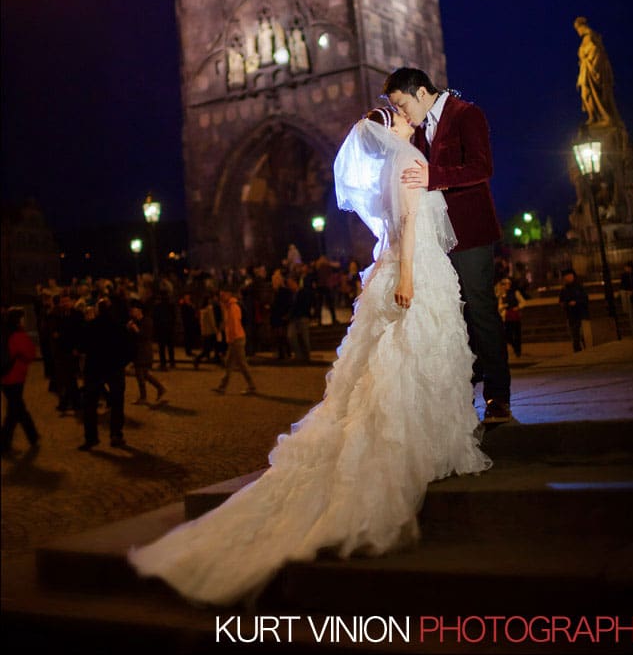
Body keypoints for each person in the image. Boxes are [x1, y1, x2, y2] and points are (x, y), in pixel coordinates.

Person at [129, 107, 490, 605]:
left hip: (401, 267)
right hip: (413, 273)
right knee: (407, 360)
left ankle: (418, 437)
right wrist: (406, 275)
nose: (411, 116)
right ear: (393, 127)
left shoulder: (390, 166)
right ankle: (415, 446)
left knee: (395, 364)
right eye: (403, 112)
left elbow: (391, 226)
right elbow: (407, 223)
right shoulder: (408, 158)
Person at [384, 66, 512, 423]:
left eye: (403, 103)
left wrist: (432, 177)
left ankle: (498, 395)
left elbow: (481, 168)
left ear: (421, 92)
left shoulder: (467, 114)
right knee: (451, 316)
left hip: (470, 233)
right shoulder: (419, 130)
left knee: (481, 309)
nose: (403, 113)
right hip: (437, 239)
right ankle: (460, 392)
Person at [77, 297, 133, 451]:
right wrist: (121, 363)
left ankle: (91, 437)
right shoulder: (119, 326)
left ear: (98, 310)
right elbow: (129, 349)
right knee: (117, 403)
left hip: (94, 368)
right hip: (114, 368)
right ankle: (116, 434)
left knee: (90, 404)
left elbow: (81, 347)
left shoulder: (91, 326)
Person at [1, 308, 39, 454]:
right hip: (15, 377)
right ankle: (4, 443)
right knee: (14, 411)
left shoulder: (5, 333)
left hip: (6, 377)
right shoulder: (17, 335)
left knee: (17, 408)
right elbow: (29, 353)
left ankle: (32, 435)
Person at [573, 17, 621, 126]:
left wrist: (587, 59)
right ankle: (593, 117)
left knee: (593, 94)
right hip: (586, 70)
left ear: (582, 27)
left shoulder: (591, 36)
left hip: (592, 70)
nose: (578, 32)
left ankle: (601, 117)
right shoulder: (586, 38)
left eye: (578, 29)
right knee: (585, 95)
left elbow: (595, 52)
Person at [215, 289, 257, 395]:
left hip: (236, 339)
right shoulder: (228, 307)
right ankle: (222, 387)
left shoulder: (233, 307)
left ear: (229, 294)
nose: (221, 297)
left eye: (223, 295)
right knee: (230, 364)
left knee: (241, 364)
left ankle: (251, 386)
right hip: (235, 339)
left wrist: (232, 339)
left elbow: (234, 324)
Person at [128, 300, 168, 403]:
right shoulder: (134, 322)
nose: (132, 313)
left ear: (139, 311)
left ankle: (144, 397)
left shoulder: (147, 321)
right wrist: (128, 328)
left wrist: (135, 328)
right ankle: (160, 388)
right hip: (137, 352)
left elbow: (145, 336)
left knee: (140, 375)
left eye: (134, 311)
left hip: (144, 352)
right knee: (144, 374)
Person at [558, 271, 588, 353]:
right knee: (575, 336)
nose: (568, 278)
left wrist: (576, 302)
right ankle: (577, 351)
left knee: (583, 335)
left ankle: (587, 349)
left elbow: (585, 299)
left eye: (569, 276)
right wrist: (565, 304)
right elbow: (561, 301)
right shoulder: (564, 289)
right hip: (571, 315)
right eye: (566, 276)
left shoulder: (579, 287)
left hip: (581, 314)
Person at [496, 277, 525, 358]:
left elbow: (523, 302)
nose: (506, 286)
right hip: (506, 316)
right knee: (507, 334)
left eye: (508, 284)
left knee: (517, 333)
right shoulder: (501, 294)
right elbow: (499, 306)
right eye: (504, 284)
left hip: (514, 315)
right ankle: (515, 346)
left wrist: (518, 307)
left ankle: (518, 350)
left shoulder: (515, 293)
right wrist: (503, 306)